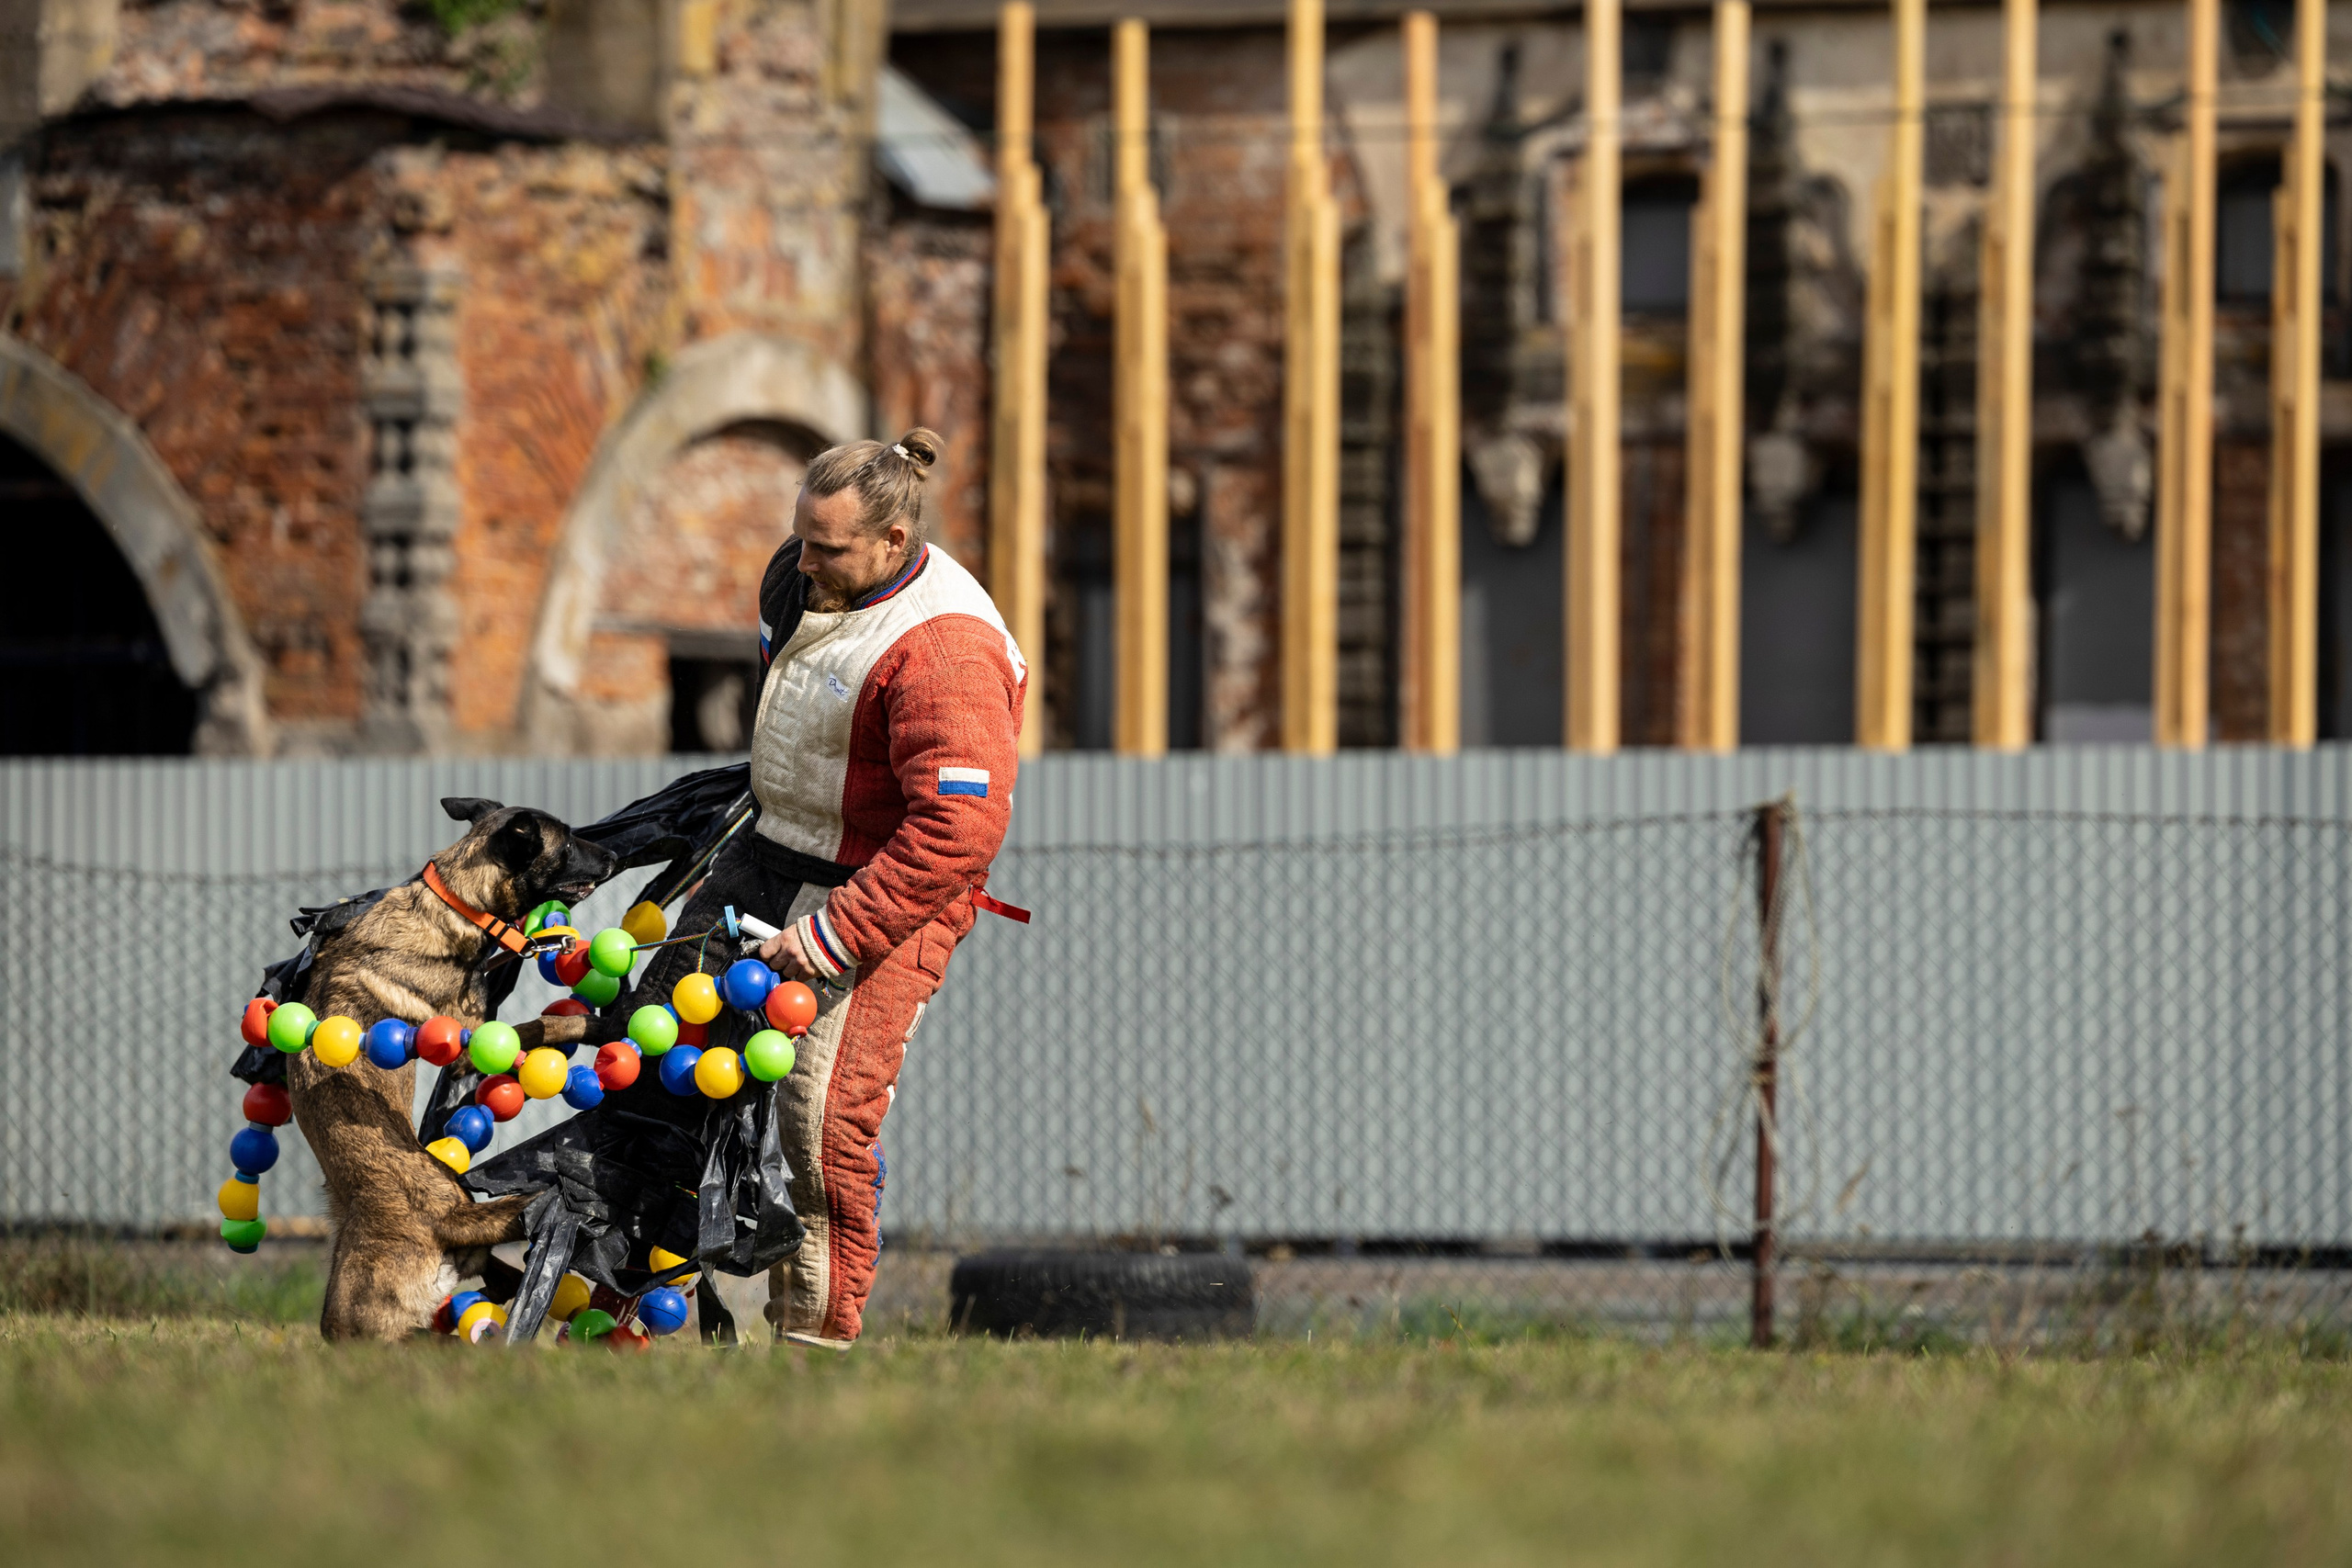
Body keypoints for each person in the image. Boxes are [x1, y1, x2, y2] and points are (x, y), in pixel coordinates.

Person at [628, 427, 1025, 1348]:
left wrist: (827, 938)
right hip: (773, 851)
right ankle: (627, 1302)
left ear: (894, 542)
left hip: (893, 883)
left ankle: (813, 1346)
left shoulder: (946, 652)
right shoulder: (797, 574)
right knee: (654, 1045)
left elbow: (958, 831)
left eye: (830, 549)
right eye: (802, 537)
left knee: (817, 1121)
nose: (804, 562)